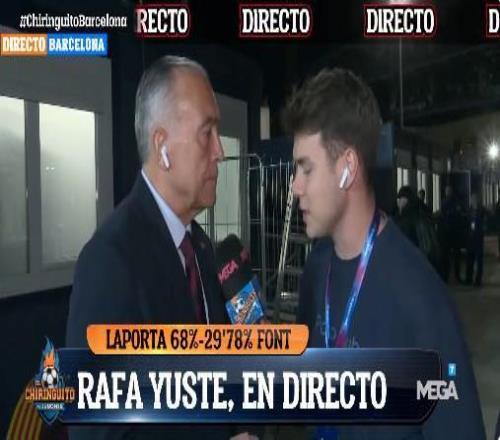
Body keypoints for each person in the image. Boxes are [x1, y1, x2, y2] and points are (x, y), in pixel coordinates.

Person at [283, 67, 485, 439]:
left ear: (347, 168)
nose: (295, 186)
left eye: (306, 169)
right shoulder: (317, 267)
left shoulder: (421, 300)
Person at [66, 56, 232, 439]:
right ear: (162, 147)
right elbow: (95, 431)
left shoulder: (201, 250)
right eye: (207, 132)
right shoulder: (109, 261)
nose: (220, 151)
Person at [395, 185, 440, 271]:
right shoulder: (421, 213)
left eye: (399, 199)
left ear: (405, 200)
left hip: (412, 264)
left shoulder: (406, 219)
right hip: (425, 264)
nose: (398, 203)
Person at [439, 185, 465, 283]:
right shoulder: (445, 203)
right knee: (447, 256)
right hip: (448, 233)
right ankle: (447, 276)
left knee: (455, 255)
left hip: (453, 232)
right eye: (447, 191)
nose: (448, 192)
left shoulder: (454, 202)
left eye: (449, 191)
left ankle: (454, 276)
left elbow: (459, 214)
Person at [466, 193, 485, 286]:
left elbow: (484, 222)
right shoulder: (469, 210)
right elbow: (467, 222)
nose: (473, 201)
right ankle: (469, 278)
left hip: (478, 237)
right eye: (472, 199)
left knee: (479, 259)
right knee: (470, 258)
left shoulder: (481, 210)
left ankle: (478, 279)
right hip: (471, 237)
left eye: (474, 199)